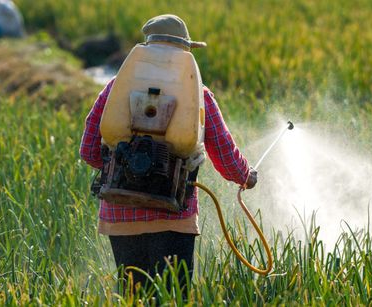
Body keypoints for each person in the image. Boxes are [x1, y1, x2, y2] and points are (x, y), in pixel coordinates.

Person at [80, 14, 258, 294]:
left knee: (133, 297)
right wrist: (246, 176)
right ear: (185, 51)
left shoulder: (116, 88)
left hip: (120, 216)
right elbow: (224, 152)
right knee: (174, 297)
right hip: (174, 215)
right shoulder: (199, 94)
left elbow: (89, 150)